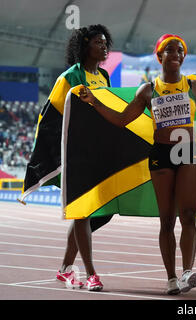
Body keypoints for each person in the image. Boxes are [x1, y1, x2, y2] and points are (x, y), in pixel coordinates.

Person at [79, 34, 196, 295]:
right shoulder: (147, 90)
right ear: (159, 56)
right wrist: (94, 101)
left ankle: (188, 270)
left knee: (188, 215)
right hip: (161, 155)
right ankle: (171, 278)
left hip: (187, 153)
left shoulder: (193, 87)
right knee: (167, 221)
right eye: (170, 50)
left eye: (180, 50)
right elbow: (122, 120)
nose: (176, 54)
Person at [23, 25, 113, 291]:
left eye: (106, 42)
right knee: (83, 212)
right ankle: (91, 274)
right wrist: (59, 155)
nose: (104, 46)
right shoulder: (69, 78)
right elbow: (49, 118)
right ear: (85, 46)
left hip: (96, 154)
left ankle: (64, 269)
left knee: (103, 212)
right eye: (99, 42)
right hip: (74, 155)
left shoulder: (105, 76)